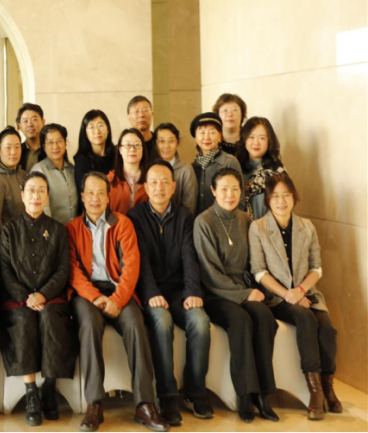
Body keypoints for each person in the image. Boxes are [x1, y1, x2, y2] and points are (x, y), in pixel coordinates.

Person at [68, 172, 168, 432]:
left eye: (101, 193)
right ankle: (94, 404)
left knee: (136, 324)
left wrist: (117, 299)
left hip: (119, 290)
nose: (95, 198)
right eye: (90, 193)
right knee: (89, 325)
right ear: (82, 196)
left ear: (108, 197)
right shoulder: (72, 228)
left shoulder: (123, 224)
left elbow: (131, 266)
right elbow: (73, 272)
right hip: (88, 294)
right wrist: (96, 297)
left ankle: (145, 404)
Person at [127, 161, 213, 425]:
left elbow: (189, 256)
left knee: (200, 321)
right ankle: (167, 397)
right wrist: (151, 293)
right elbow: (139, 260)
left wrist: (192, 291)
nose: (159, 187)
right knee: (162, 322)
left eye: (165, 182)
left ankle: (195, 392)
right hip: (150, 292)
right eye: (153, 182)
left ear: (174, 187)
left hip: (179, 291)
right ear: (145, 187)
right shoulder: (135, 217)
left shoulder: (185, 216)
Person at [249, 174, 341, 419]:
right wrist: (288, 294)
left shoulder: (306, 226)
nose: (281, 201)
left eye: (286, 195)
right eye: (275, 196)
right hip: (276, 298)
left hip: (307, 293)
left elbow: (316, 267)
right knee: (305, 318)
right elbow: (258, 271)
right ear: (268, 200)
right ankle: (315, 392)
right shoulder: (257, 227)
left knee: (328, 328)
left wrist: (300, 290)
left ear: (294, 197)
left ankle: (329, 388)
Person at [194, 168, 278, 423]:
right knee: (240, 320)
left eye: (234, 189)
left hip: (245, 289)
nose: (229, 195)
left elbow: (255, 262)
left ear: (241, 192)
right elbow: (210, 274)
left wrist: (256, 290)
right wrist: (244, 293)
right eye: (223, 189)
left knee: (264, 316)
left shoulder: (246, 219)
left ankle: (262, 394)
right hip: (216, 294)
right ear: (213, 191)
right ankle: (244, 394)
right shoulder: (203, 222)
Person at [0, 171, 75, 425]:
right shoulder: (9, 230)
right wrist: (25, 296)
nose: (35, 195)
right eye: (31, 190)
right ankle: (31, 393)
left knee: (52, 318)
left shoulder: (58, 230)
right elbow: (5, 270)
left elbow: (63, 269)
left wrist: (43, 294)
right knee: (23, 320)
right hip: (18, 298)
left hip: (50, 297)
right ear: (22, 196)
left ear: (47, 196)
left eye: (41, 190)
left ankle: (49, 389)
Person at [190, 112, 242, 216]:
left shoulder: (230, 161)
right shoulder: (193, 166)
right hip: (198, 223)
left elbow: (240, 201)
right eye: (202, 132)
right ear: (195, 138)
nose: (206, 137)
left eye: (212, 132)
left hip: (224, 222)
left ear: (220, 136)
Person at [237, 117, 287, 220]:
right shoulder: (235, 167)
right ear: (244, 139)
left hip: (267, 227)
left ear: (269, 141)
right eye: (251, 137)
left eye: (262, 138)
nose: (256, 143)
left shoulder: (277, 172)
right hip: (239, 226)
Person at [32, 124, 79, 224]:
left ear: (65, 143)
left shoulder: (72, 169)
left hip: (75, 230)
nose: (55, 146)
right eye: (50, 142)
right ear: (44, 146)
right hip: (53, 230)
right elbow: (43, 208)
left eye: (59, 141)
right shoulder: (39, 170)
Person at [0, 127, 26, 225]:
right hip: (7, 234)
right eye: (8, 147)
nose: (13, 152)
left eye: (17, 147)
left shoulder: (24, 174)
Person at [153, 123, 198, 214]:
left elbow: (189, 207)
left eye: (171, 141)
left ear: (177, 143)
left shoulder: (186, 170)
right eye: (162, 141)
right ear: (155, 145)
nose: (166, 146)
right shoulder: (151, 169)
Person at [73, 110, 116, 194]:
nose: (97, 131)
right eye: (91, 127)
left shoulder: (118, 154)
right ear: (85, 133)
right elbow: (83, 193)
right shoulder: (81, 160)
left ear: (108, 129)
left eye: (100, 126)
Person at [107, 129, 149, 214]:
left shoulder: (151, 178)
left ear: (143, 149)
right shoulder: (109, 180)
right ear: (120, 150)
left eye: (137, 145)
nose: (132, 149)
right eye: (127, 145)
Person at [127, 96, 158, 163]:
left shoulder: (161, 144)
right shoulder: (122, 147)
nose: (141, 115)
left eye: (145, 110)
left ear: (152, 114)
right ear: (128, 117)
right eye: (136, 111)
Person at [16, 103, 46, 171]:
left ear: (43, 122)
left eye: (34, 119)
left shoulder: (51, 149)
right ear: (20, 126)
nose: (30, 124)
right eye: (25, 121)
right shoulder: (17, 151)